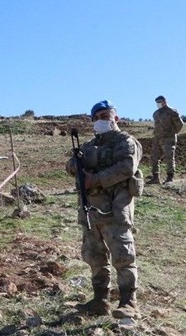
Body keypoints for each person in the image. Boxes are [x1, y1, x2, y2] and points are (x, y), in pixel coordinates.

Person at [66, 100, 143, 319]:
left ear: (115, 118)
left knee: (122, 254)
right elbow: (70, 165)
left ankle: (129, 302)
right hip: (90, 211)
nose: (101, 120)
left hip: (115, 209)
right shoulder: (88, 146)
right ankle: (99, 301)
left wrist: (95, 179)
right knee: (94, 256)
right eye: (97, 117)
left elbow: (126, 167)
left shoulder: (126, 142)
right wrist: (77, 166)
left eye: (105, 116)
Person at [148, 95, 183, 184]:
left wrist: (172, 133)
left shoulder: (172, 112)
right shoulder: (156, 113)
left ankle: (170, 177)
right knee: (154, 157)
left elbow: (180, 125)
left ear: (165, 101)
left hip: (168, 139)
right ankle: (155, 177)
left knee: (169, 157)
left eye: (160, 101)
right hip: (157, 138)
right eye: (157, 102)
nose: (158, 104)